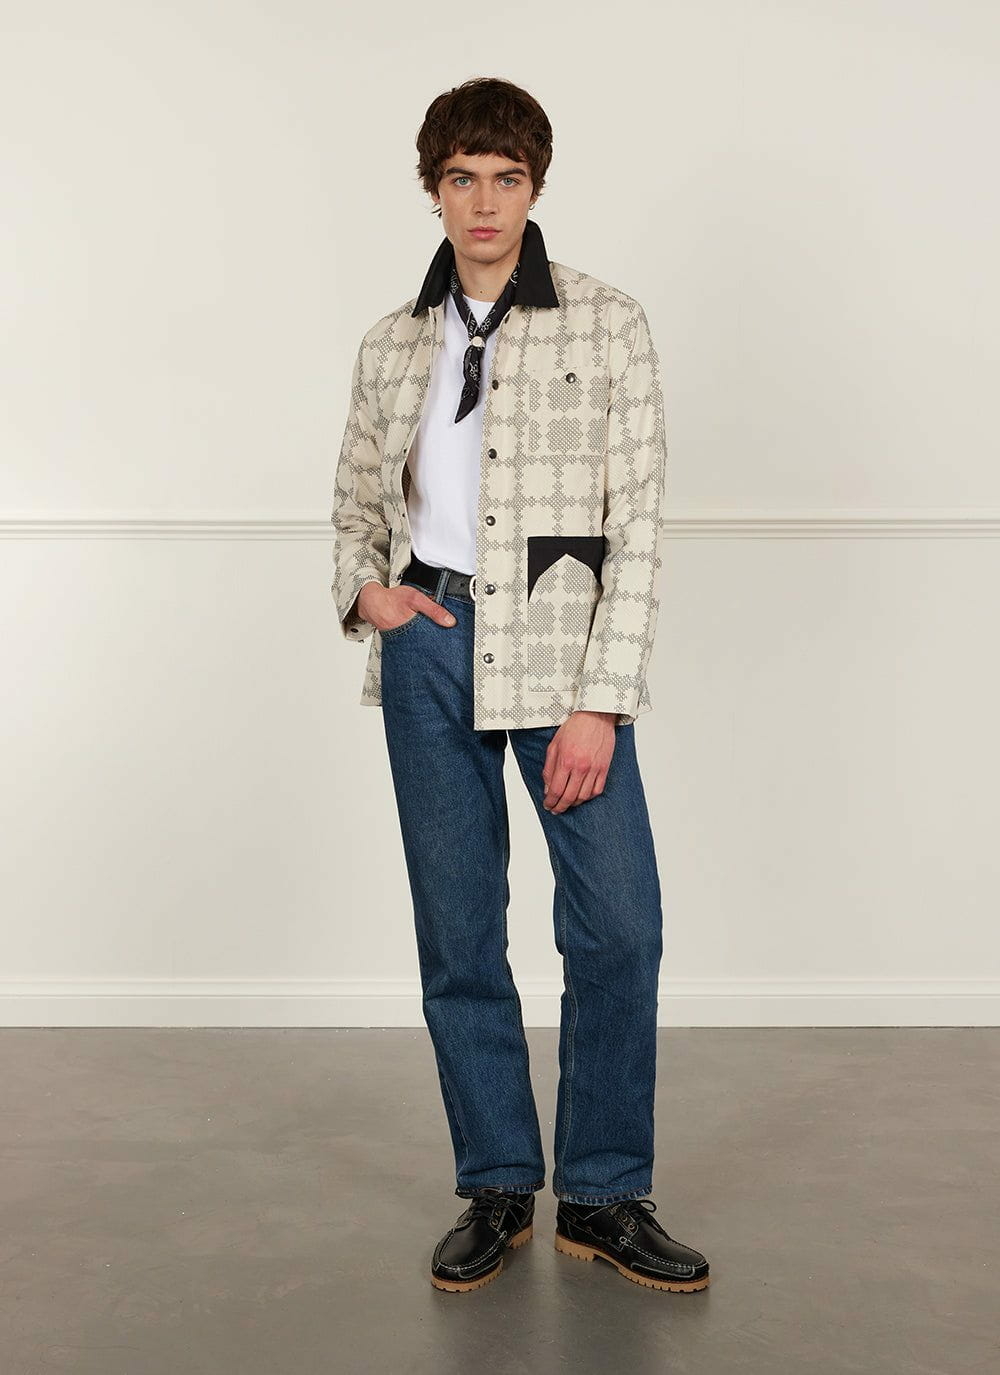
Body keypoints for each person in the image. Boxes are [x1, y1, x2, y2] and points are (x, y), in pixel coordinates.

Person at [331, 76, 710, 1295]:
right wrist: (369, 594)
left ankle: (601, 1192)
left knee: (618, 926)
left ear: (534, 187)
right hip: (431, 645)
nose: (483, 202)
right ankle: (495, 1181)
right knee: (458, 929)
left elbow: (636, 524)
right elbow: (352, 504)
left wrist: (603, 698)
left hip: (561, 656)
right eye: (462, 178)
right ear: (433, 189)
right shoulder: (392, 341)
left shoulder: (607, 323)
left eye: (505, 178)